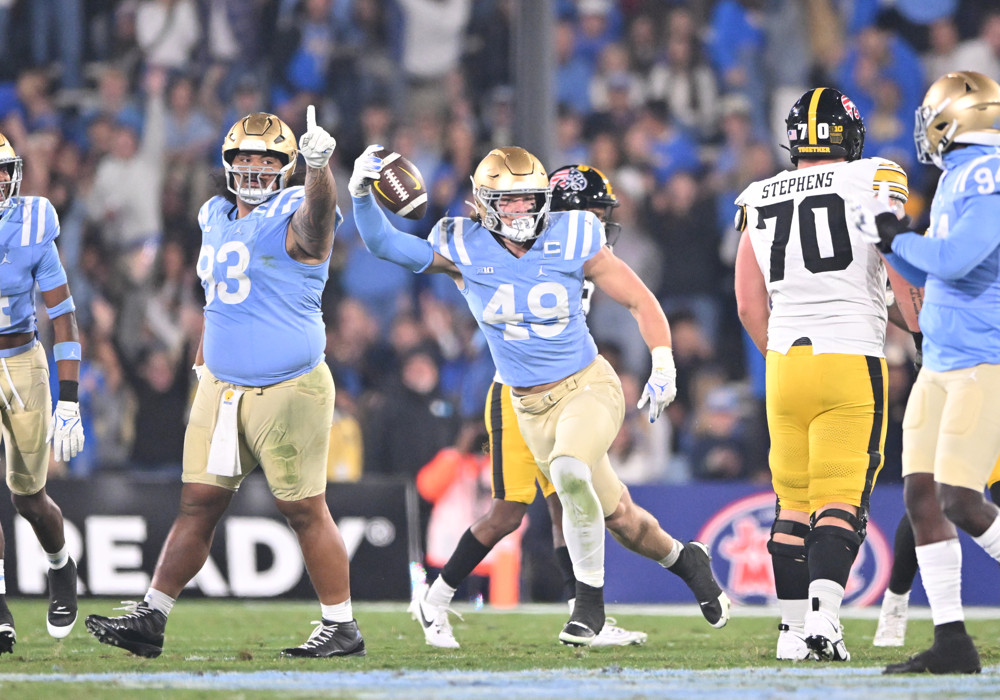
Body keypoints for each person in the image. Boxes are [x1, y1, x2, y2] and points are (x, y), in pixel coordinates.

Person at [350, 146, 729, 647]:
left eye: (529, 200)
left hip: (586, 386)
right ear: (484, 204)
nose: (521, 212)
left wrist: (663, 361)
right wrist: (360, 196)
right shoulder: (464, 245)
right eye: (507, 202)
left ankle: (587, 610)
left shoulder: (574, 234)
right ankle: (687, 561)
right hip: (524, 403)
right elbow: (386, 245)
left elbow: (639, 297)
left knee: (570, 476)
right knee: (622, 518)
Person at [84, 107, 365, 659]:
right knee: (198, 504)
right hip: (220, 385)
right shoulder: (213, 213)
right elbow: (217, 303)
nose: (256, 169)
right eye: (245, 159)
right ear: (227, 163)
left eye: (268, 161)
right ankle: (152, 617)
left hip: (290, 386)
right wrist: (200, 365)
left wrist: (319, 170)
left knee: (304, 508)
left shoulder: (297, 207)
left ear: (286, 168)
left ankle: (342, 625)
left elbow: (316, 226)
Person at [409, 164, 649, 649]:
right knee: (509, 511)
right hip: (516, 391)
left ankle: (584, 616)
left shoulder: (570, 244)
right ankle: (435, 597)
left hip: (561, 389)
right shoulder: (539, 241)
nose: (599, 223)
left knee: (565, 500)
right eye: (594, 212)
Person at [734, 87, 910, 663]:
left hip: (784, 362)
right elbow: (897, 265)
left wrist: (779, 356)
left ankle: (789, 632)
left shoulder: (758, 194)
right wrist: (923, 329)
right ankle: (824, 622)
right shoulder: (874, 177)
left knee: (790, 500)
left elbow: (747, 303)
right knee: (839, 498)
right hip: (849, 355)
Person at [850, 70, 1000, 675]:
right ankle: (952, 641)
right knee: (921, 497)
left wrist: (891, 237)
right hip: (942, 359)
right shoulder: (961, 174)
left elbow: (958, 260)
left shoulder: (987, 174)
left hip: (982, 360)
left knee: (963, 498)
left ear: (953, 119)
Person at [0, 132, 86, 654]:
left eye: (3, 170)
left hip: (22, 360)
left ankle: (59, 565)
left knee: (28, 498)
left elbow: (64, 316)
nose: (0, 182)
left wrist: (70, 400)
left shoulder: (33, 223)